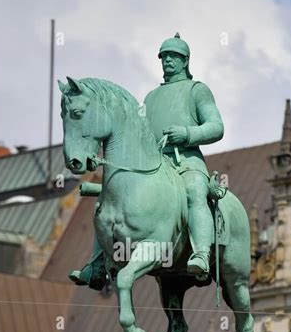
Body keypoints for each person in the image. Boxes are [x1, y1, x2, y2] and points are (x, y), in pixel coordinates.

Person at [69, 32, 224, 288]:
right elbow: (137, 135)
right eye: (164, 57)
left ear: (185, 61)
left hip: (185, 161)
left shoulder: (197, 90)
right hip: (154, 166)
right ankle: (97, 262)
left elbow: (216, 127)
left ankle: (201, 255)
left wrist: (186, 133)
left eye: (173, 57)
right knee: (108, 201)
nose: (167, 61)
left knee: (195, 191)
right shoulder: (150, 98)